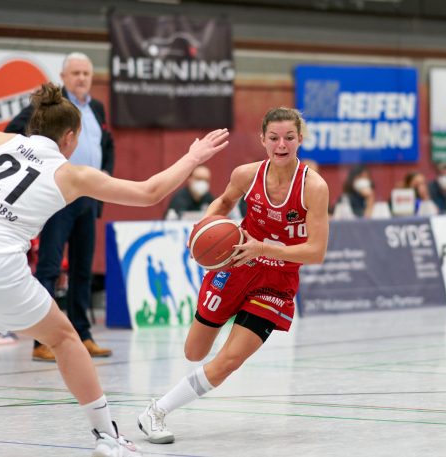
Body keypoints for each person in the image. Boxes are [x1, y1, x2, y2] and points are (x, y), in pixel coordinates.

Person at [0, 83, 229, 456]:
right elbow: (148, 192)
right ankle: (106, 437)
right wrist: (192, 157)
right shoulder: (71, 174)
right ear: (70, 136)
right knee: (63, 338)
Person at [136, 107, 329, 444]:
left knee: (228, 361)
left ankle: (155, 412)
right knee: (194, 353)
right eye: (274, 138)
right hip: (236, 265)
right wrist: (202, 232)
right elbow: (222, 203)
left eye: (289, 137)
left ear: (300, 139)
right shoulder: (246, 174)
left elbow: (316, 252)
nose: (281, 144)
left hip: (275, 282)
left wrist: (265, 250)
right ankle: (222, 318)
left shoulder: (314, 187)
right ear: (262, 140)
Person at [6, 52, 114, 362]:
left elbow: (107, 143)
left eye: (86, 73)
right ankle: (43, 340)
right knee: (50, 268)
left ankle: (83, 335)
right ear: (64, 77)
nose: (82, 78)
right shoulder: (54, 108)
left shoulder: (96, 108)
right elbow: (13, 130)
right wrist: (39, 167)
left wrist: (106, 171)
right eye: (76, 73)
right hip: (57, 196)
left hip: (88, 198)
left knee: (83, 269)